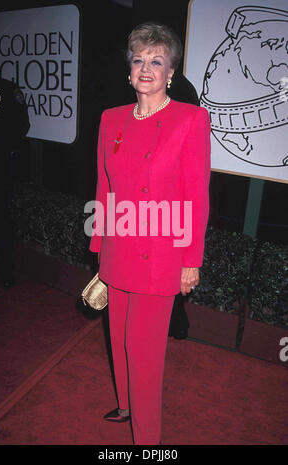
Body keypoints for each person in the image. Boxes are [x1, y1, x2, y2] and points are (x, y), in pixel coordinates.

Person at [88, 22, 211, 445]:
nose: (146, 68)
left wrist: (191, 260)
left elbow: (197, 195)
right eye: (139, 59)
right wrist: (98, 245)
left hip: (159, 258)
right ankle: (125, 405)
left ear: (170, 71)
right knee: (117, 337)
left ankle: (149, 443)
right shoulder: (111, 119)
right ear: (128, 71)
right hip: (118, 250)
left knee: (144, 354)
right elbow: (103, 187)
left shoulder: (190, 119)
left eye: (156, 61)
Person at [0, 74, 30, 287]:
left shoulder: (4, 88)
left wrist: (1, 146)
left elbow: (23, 124)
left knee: (1, 218)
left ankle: (6, 271)